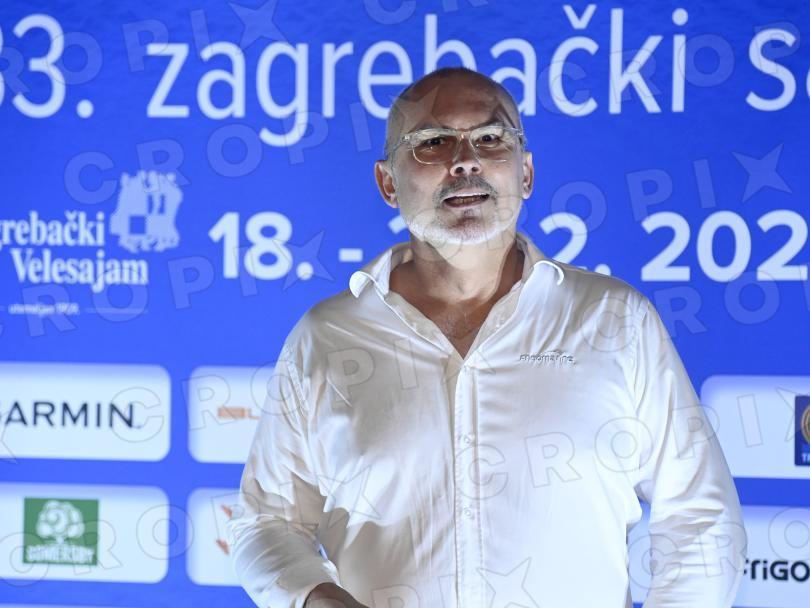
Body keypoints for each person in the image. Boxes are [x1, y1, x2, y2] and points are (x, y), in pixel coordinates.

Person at [227, 67, 747, 608]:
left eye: (491, 138)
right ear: (387, 183)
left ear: (526, 173)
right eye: (432, 142)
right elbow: (266, 521)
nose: (465, 160)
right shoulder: (327, 338)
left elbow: (701, 518)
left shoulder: (615, 321)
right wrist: (315, 599)